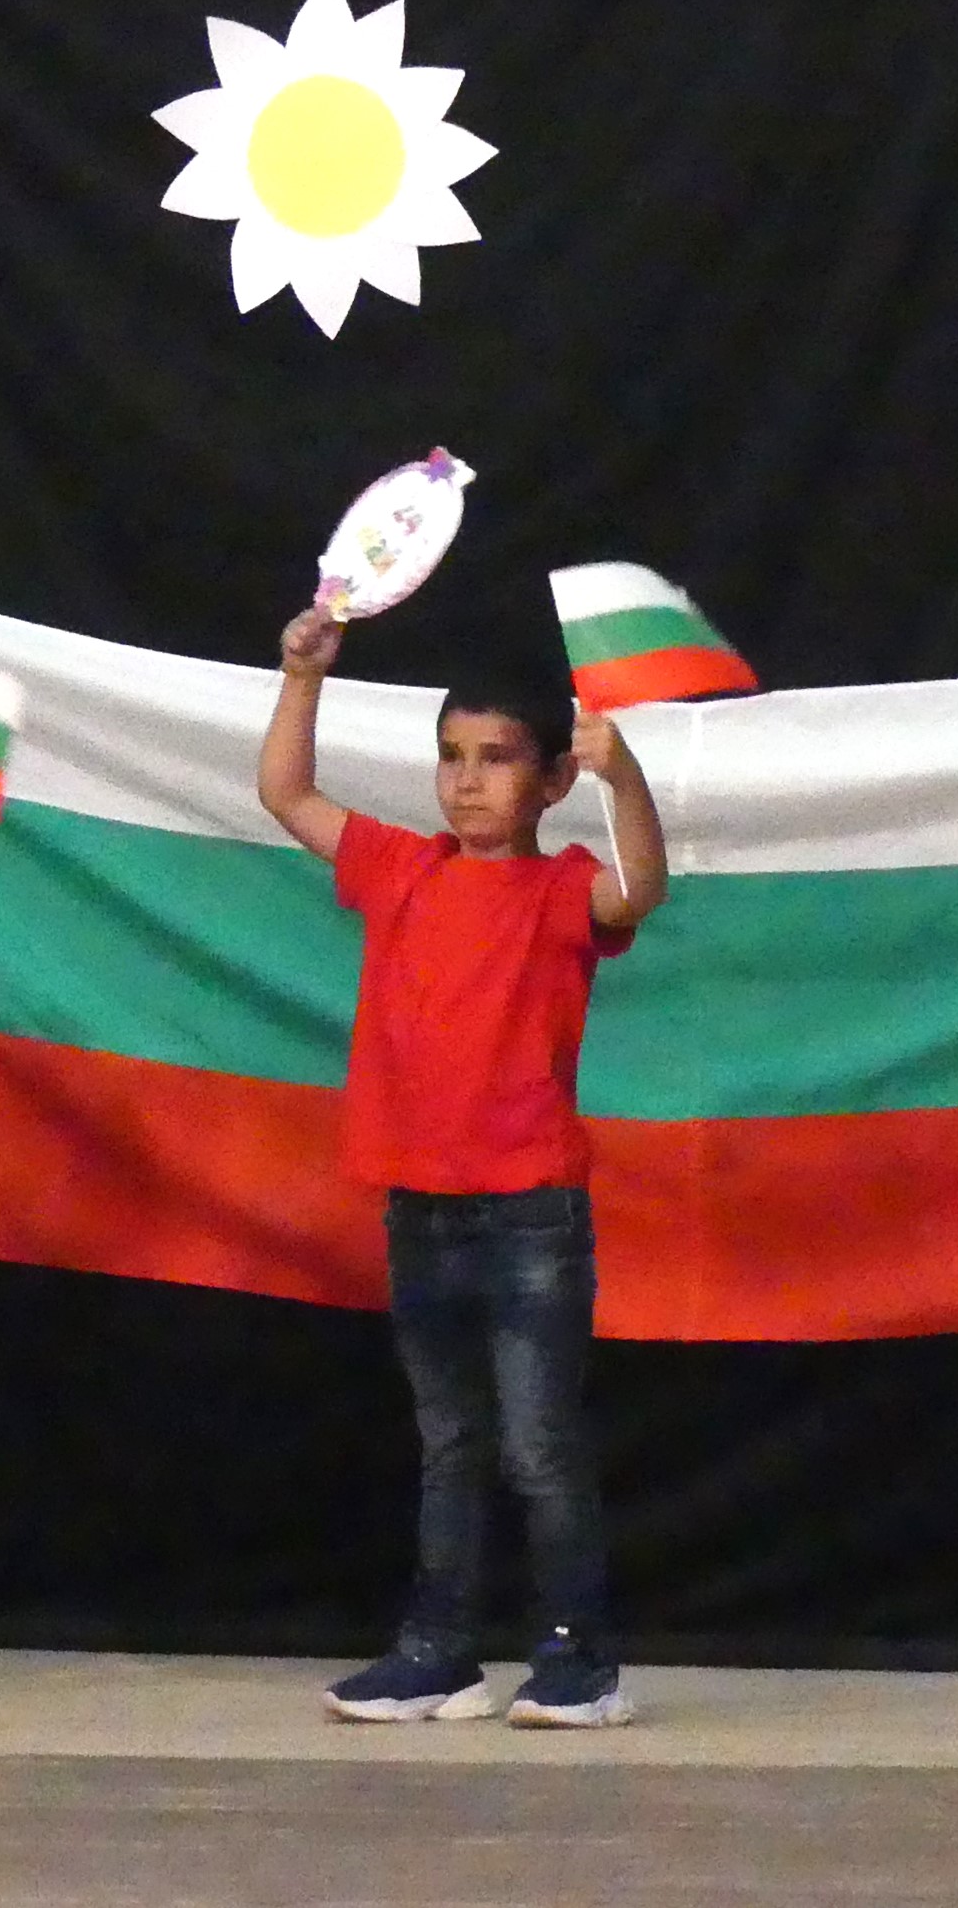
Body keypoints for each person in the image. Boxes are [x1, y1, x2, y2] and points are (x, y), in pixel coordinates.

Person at [257, 608, 670, 1728]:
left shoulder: (562, 887)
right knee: (449, 1443)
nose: (467, 780)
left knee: (538, 1447)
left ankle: (580, 1664)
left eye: (496, 758)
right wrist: (302, 675)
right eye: (451, 757)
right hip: (421, 1211)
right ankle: (438, 1655)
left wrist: (625, 777)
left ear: (550, 782)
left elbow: (640, 887)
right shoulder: (401, 867)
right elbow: (286, 792)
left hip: (532, 1213)